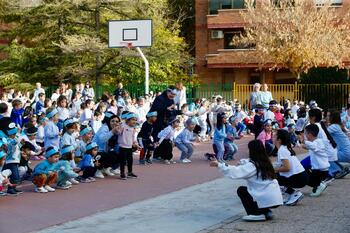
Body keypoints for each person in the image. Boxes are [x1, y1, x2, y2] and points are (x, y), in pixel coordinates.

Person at [210, 140, 283, 222]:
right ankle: (265, 211)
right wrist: (242, 162)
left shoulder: (252, 165)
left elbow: (235, 172)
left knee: (242, 190)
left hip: (266, 197)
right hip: (274, 198)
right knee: (252, 191)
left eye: (248, 149)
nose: (247, 151)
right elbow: (247, 162)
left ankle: (256, 214)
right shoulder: (265, 161)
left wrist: (219, 165)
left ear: (252, 150)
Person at [274, 129, 308, 206]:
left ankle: (294, 194)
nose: (272, 138)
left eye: (274, 136)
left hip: (299, 178)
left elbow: (287, 168)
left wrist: (274, 170)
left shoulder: (282, 150)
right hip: (301, 176)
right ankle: (291, 195)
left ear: (279, 140)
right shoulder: (284, 148)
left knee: (272, 178)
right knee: (276, 174)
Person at [300, 124, 329, 197]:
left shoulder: (317, 142)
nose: (305, 136)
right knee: (304, 171)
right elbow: (312, 148)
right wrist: (304, 146)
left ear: (309, 134)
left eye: (306, 133)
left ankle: (320, 184)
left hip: (319, 171)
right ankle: (318, 185)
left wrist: (304, 142)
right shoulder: (318, 142)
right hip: (321, 170)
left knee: (305, 179)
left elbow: (313, 146)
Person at [116, 112, 139, 180]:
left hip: (129, 147)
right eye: (132, 119)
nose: (134, 121)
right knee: (122, 161)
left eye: (135, 120)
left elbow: (133, 137)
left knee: (130, 160)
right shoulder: (123, 126)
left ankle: (130, 172)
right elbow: (119, 133)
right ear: (128, 120)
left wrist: (135, 143)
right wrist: (118, 127)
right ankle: (122, 173)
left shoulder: (133, 128)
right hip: (122, 147)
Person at [3, 123, 23, 195]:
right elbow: (15, 142)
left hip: (15, 160)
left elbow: (18, 145)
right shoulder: (9, 140)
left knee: (14, 176)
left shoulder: (13, 139)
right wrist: (18, 133)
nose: (15, 135)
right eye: (14, 134)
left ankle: (13, 188)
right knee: (15, 176)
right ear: (10, 134)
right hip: (10, 161)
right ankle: (10, 189)